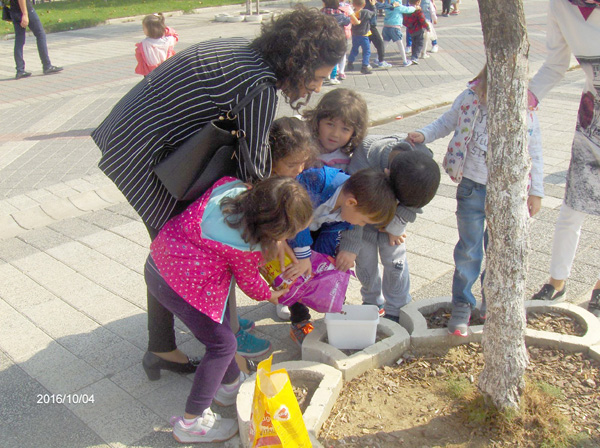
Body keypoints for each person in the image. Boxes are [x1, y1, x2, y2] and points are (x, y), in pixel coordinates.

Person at [91, 6, 346, 374]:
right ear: (301, 63)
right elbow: (255, 175)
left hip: (130, 138)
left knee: (173, 247)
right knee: (211, 246)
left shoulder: (241, 50)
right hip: (148, 158)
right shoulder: (258, 86)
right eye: (318, 77)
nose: (319, 87)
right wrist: (272, 235)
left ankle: (163, 346)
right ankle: (226, 358)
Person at [146, 176, 313, 443]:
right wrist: (272, 295)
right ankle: (191, 422)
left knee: (219, 324)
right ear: (270, 229)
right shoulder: (245, 246)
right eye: (287, 234)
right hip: (179, 284)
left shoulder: (230, 186)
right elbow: (250, 284)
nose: (289, 239)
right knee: (222, 345)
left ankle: (230, 386)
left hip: (159, 261)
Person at [407, 65, 545, 336]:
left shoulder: (524, 110)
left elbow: (535, 151)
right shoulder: (469, 98)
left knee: (497, 251)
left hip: (507, 192)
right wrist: (424, 134)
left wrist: (536, 191)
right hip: (471, 186)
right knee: (469, 250)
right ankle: (462, 305)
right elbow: (446, 121)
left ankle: (491, 302)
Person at [529, 0, 600, 318]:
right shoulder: (562, 6)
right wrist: (528, 97)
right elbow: (556, 63)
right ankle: (557, 283)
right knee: (574, 204)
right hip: (592, 118)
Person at [286, 167, 398, 344]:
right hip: (292, 227)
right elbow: (295, 217)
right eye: (363, 221)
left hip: (325, 227)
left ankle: (336, 309)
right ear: (351, 203)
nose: (360, 225)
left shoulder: (352, 202)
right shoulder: (317, 181)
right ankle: (299, 320)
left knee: (326, 268)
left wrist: (341, 253)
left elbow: (350, 223)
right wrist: (303, 255)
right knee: (295, 273)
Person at [337, 137, 441, 321]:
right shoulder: (365, 157)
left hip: (393, 222)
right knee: (365, 259)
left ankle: (397, 308)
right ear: (386, 174)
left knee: (395, 261)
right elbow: (353, 206)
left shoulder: (422, 160)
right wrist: (350, 245)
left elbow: (415, 201)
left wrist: (397, 223)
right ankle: (372, 302)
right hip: (362, 220)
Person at [303, 88, 369, 170]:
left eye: (345, 129)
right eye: (330, 124)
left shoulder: (348, 164)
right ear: (317, 120)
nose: (335, 134)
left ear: (354, 133)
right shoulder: (301, 149)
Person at [8, 0, 62, 79]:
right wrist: (25, 14)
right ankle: (47, 65)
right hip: (25, 10)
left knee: (19, 40)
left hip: (14, 10)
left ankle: (20, 70)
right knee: (40, 34)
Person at [377, 0, 417, 67]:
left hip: (386, 26)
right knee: (400, 44)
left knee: (384, 44)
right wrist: (414, 7)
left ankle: (378, 58)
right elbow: (407, 10)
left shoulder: (387, 4)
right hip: (395, 27)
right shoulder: (397, 4)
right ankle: (405, 60)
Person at [321, 0, 351, 85]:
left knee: (325, 57)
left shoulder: (322, 13)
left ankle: (325, 75)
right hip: (337, 38)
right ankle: (333, 77)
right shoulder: (340, 14)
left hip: (325, 38)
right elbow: (347, 21)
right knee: (334, 58)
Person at [347, 0, 376, 74]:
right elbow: (374, 13)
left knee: (354, 49)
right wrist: (373, 5)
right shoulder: (365, 12)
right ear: (364, 4)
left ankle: (350, 62)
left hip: (355, 34)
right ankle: (364, 66)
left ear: (353, 4)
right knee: (366, 51)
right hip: (364, 35)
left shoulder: (352, 13)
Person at [364, 0, 391, 68]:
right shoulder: (372, 3)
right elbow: (382, 6)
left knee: (366, 46)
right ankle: (381, 61)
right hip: (371, 27)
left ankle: (365, 63)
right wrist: (393, 6)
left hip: (364, 27)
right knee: (380, 44)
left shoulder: (363, 2)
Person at [403, 0, 430, 65]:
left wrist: (409, 26)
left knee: (414, 43)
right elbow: (422, 20)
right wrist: (427, 27)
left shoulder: (407, 11)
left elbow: (404, 21)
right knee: (419, 43)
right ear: (418, 2)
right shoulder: (418, 11)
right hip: (419, 29)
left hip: (411, 30)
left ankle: (413, 55)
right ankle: (415, 57)